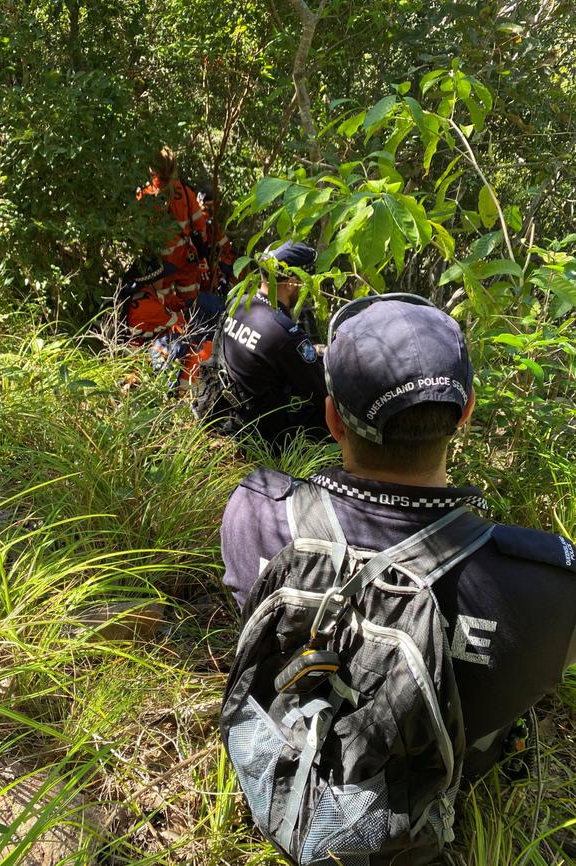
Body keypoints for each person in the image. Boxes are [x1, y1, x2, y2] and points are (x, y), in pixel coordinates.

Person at [221, 293, 576, 781]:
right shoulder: (550, 586)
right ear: (467, 410)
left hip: (283, 765)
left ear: (331, 419)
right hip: (427, 805)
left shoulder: (253, 510)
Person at [220, 240, 329, 449]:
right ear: (291, 282)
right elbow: (321, 391)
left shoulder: (238, 302)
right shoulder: (284, 333)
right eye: (305, 279)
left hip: (230, 411)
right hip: (264, 434)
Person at [137, 147, 208, 306]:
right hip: (185, 258)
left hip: (161, 265)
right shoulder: (185, 190)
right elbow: (200, 226)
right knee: (189, 303)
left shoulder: (145, 195)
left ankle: (173, 327)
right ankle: (190, 325)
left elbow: (138, 234)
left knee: (163, 303)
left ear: (152, 167)